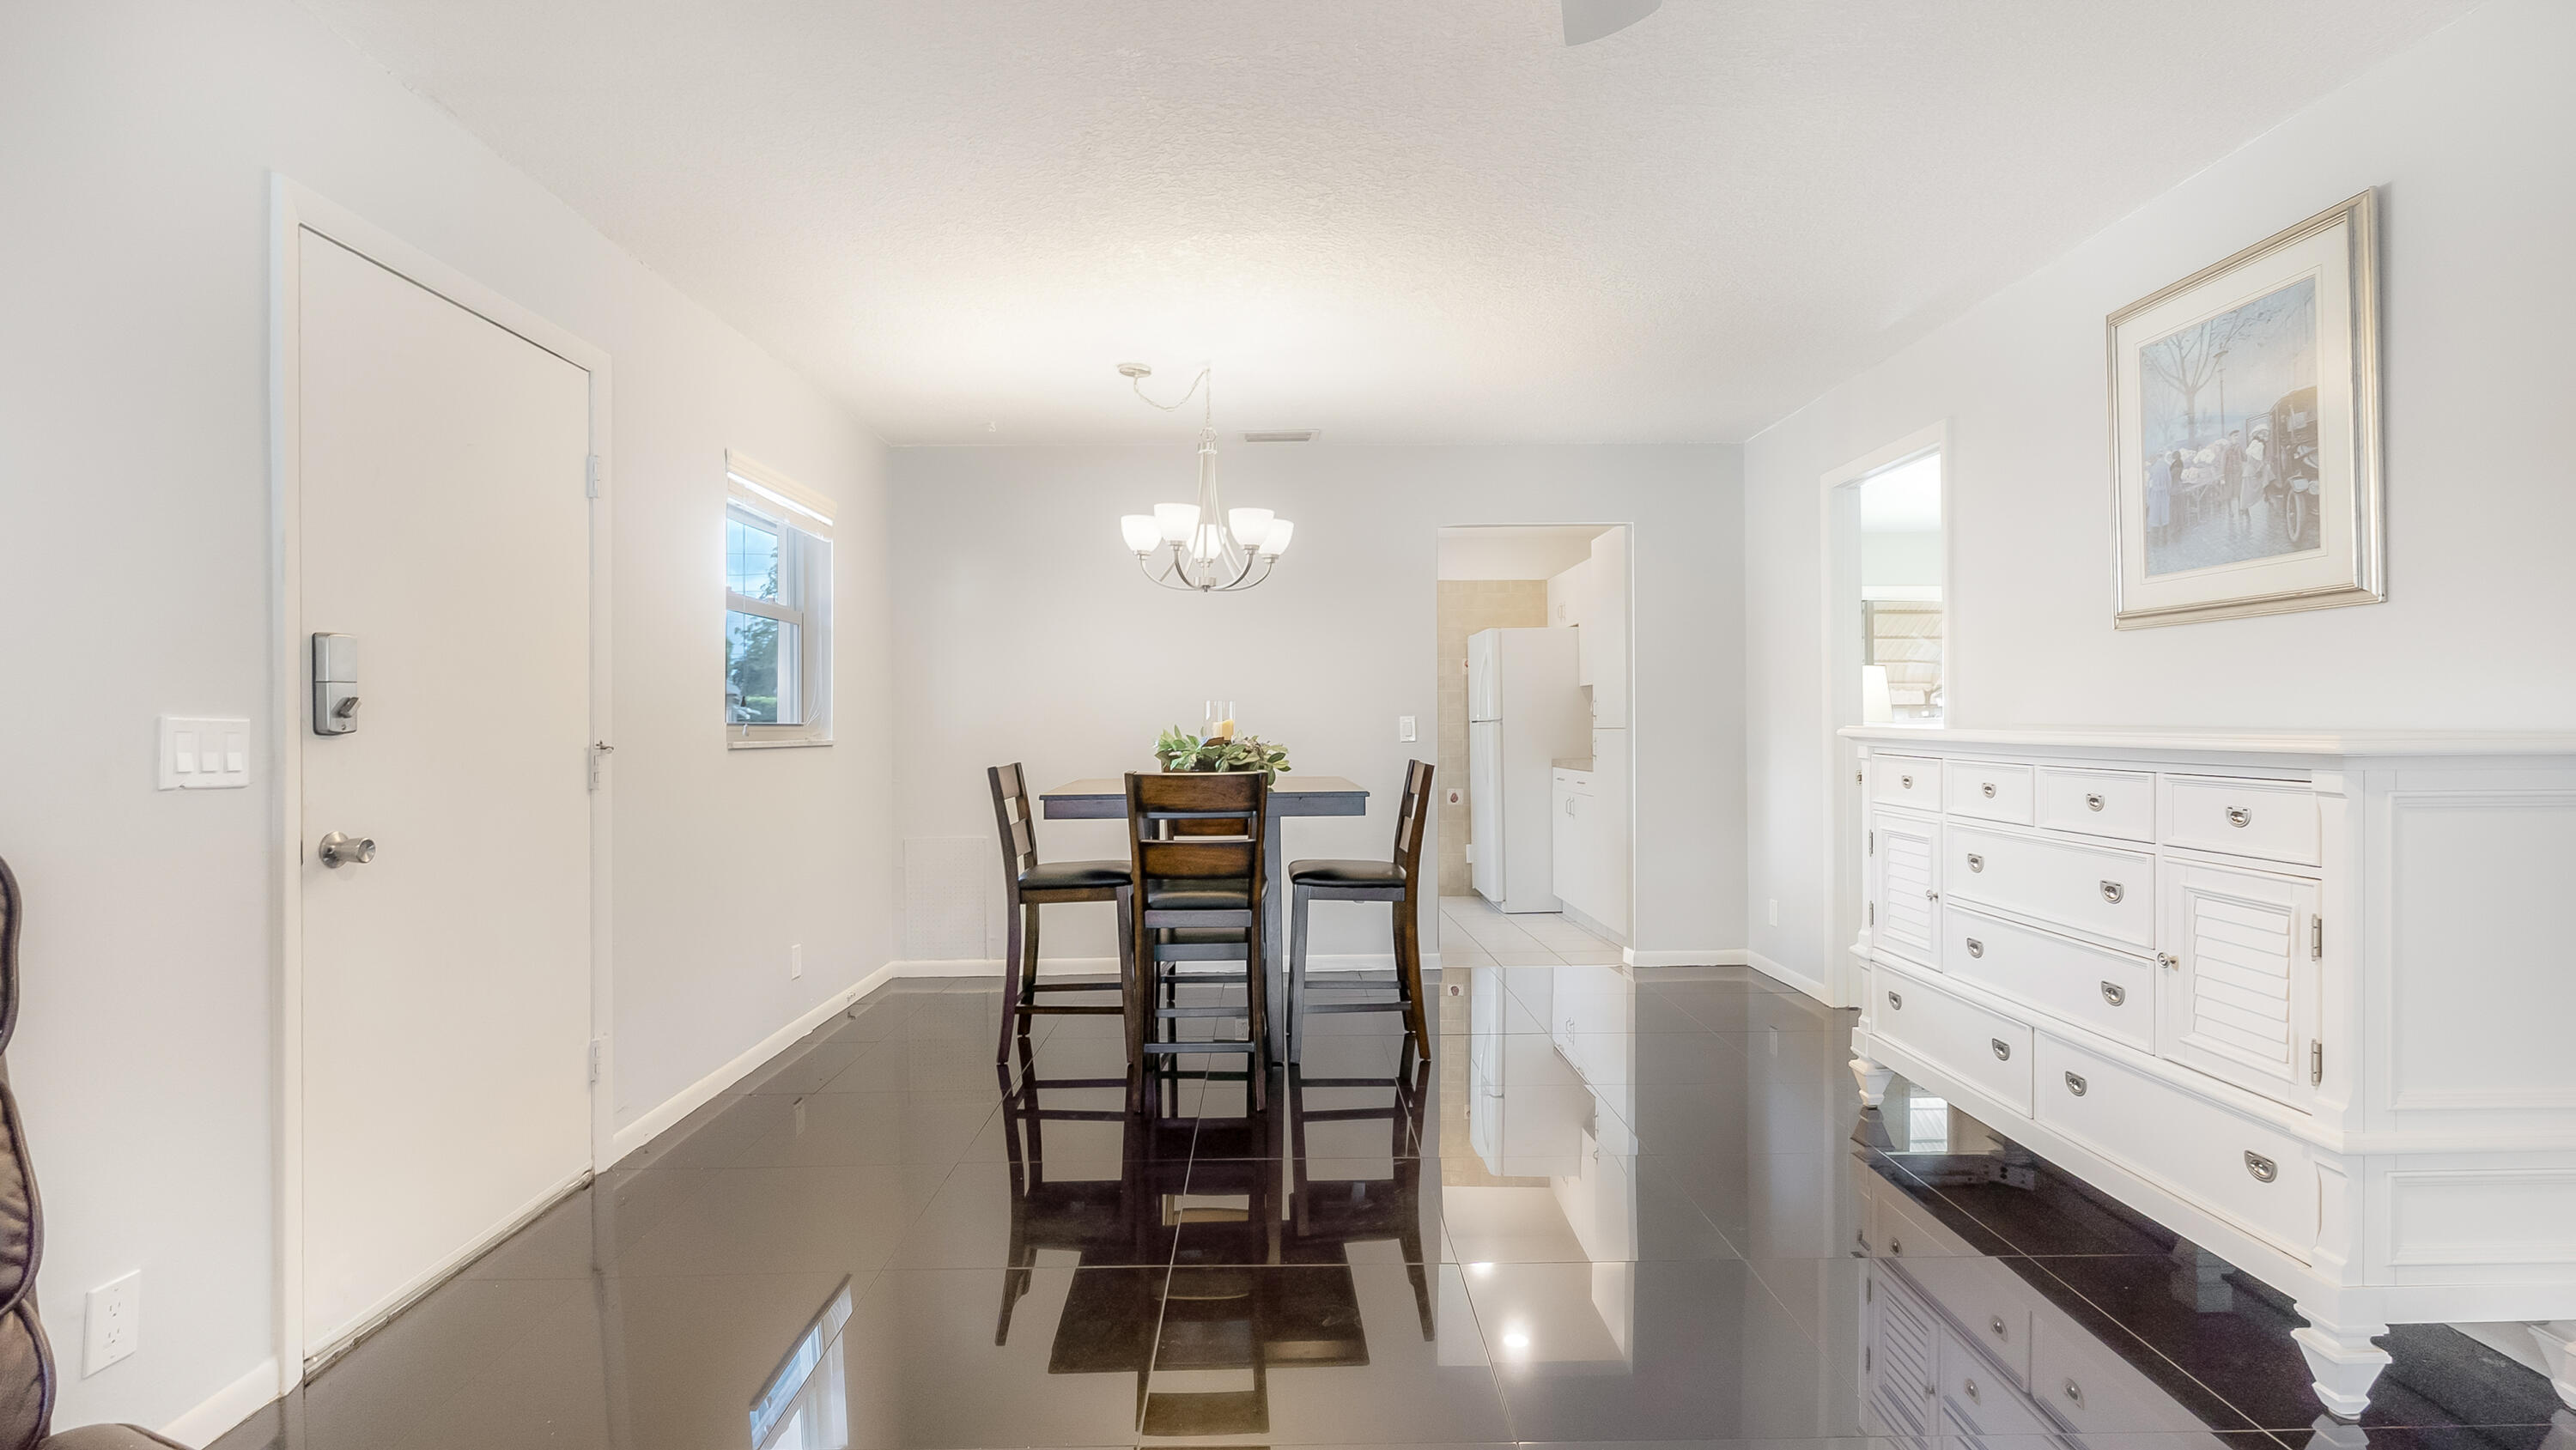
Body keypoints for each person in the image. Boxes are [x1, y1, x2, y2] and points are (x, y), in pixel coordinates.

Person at [2220, 428, 2247, 538]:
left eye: (2237, 436)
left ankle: (2241, 509)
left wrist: (2249, 453)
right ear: (2230, 437)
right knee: (2229, 494)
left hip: (2238, 474)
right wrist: (2222, 476)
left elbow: (2244, 457)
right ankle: (2230, 511)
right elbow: (2223, 463)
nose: (2237, 438)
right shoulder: (2226, 449)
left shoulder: (2239, 447)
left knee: (2239, 492)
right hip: (2229, 475)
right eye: (2235, 436)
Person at [2146, 447, 2173, 549]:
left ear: (2157, 457)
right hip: (2164, 492)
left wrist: (2150, 494)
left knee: (2156, 512)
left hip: (2155, 493)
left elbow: (2150, 483)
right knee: (2164, 511)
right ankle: (2165, 537)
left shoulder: (2153, 468)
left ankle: (2156, 538)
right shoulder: (2166, 466)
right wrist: (2168, 491)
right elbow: (2169, 480)